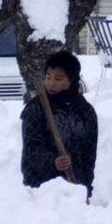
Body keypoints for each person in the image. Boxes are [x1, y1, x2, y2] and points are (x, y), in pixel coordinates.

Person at [20, 50, 98, 196]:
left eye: (58, 78)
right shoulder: (36, 109)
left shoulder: (85, 112)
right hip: (42, 190)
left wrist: (86, 188)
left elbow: (89, 155)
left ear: (72, 80)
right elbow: (32, 150)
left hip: (75, 189)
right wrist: (53, 162)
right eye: (48, 77)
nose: (51, 83)